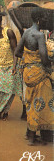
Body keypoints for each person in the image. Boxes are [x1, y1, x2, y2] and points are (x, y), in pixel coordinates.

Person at [15, 8, 53, 145]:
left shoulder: (26, 33)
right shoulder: (40, 35)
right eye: (44, 18)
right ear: (38, 19)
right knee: (40, 104)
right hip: (38, 73)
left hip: (28, 73)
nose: (46, 21)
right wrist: (49, 65)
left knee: (31, 102)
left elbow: (17, 52)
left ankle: (30, 134)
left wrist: (28, 59)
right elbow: (43, 58)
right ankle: (32, 138)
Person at [0, 12, 22, 121]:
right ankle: (1, 108)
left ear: (0, 22)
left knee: (9, 91)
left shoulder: (8, 32)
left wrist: (14, 66)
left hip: (10, 66)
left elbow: (15, 50)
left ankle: (4, 111)